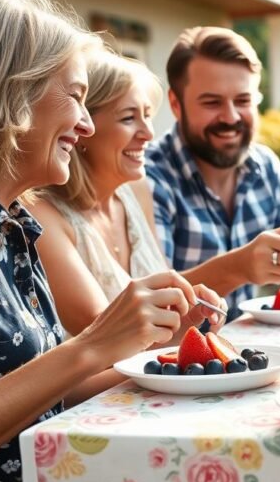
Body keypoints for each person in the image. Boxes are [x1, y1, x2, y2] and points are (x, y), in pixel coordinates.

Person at [0, 0, 215, 482]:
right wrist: (92, 345)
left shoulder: (6, 220)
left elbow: (42, 391)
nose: (85, 126)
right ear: (8, 95)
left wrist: (158, 344)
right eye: (76, 97)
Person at [28, 46, 224, 336]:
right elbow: (106, 341)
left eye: (147, 115)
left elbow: (158, 326)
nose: (148, 133)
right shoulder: (44, 216)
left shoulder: (135, 192)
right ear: (83, 129)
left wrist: (191, 316)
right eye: (129, 118)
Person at [146, 27, 280, 317]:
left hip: (246, 353)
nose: (230, 117)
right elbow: (151, 303)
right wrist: (238, 267)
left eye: (243, 101)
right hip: (174, 358)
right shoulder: (149, 178)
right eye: (212, 102)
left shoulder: (265, 166)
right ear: (175, 104)